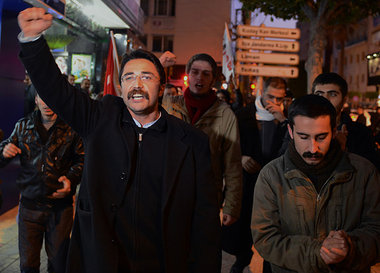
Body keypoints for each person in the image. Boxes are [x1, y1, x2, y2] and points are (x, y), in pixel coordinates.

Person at [18, 7, 220, 273]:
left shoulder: (192, 142)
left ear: (161, 87)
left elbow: (205, 221)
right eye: (129, 77)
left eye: (146, 77)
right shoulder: (100, 119)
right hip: (101, 260)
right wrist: (33, 42)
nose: (137, 84)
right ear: (120, 88)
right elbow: (57, 90)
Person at [251, 94, 380, 273]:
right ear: (290, 131)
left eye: (321, 137)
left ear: (334, 131)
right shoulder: (271, 176)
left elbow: (376, 230)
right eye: (303, 137)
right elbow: (265, 238)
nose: (313, 148)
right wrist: (316, 252)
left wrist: (349, 248)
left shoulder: (364, 172)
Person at [0, 90, 84, 273]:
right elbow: (3, 154)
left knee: (58, 263)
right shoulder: (22, 126)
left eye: (51, 96)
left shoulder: (72, 128)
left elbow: (82, 159)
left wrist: (71, 179)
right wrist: (4, 151)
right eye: (42, 97)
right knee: (28, 265)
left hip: (60, 209)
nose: (47, 103)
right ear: (36, 100)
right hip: (29, 208)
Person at [163, 53, 242, 227]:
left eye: (206, 73)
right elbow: (141, 96)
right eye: (195, 72)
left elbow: (233, 164)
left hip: (205, 199)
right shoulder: (168, 106)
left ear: (213, 79)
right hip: (169, 195)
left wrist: (232, 206)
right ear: (187, 75)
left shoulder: (225, 115)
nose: (200, 77)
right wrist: (160, 66)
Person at [223, 77, 288, 273]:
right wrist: (240, 158)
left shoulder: (287, 119)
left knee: (271, 230)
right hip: (246, 183)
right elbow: (227, 145)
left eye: (279, 99)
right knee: (241, 228)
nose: (274, 103)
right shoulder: (243, 114)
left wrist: (284, 121)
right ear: (261, 92)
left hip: (273, 186)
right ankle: (242, 258)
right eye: (270, 97)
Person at [312, 72, 380, 170]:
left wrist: (343, 152)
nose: (325, 99)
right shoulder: (299, 129)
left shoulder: (360, 133)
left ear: (344, 100)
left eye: (332, 94)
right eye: (319, 94)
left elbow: (370, 171)